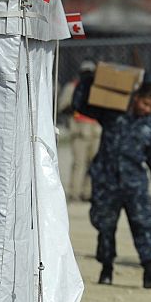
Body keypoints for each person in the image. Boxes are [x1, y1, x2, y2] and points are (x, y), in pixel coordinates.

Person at [73, 80, 151, 289]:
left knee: (144, 224)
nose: (147, 109)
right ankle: (106, 268)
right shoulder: (113, 114)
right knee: (106, 226)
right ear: (136, 98)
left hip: (134, 183)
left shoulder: (150, 127)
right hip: (107, 180)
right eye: (145, 104)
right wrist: (87, 81)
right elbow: (80, 105)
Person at [58, 60, 102, 201]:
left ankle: (89, 193)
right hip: (79, 131)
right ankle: (75, 193)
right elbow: (62, 107)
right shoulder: (72, 87)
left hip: (95, 131)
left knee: (94, 164)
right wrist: (77, 106)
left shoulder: (99, 88)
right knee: (79, 163)